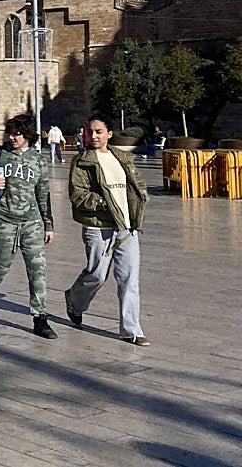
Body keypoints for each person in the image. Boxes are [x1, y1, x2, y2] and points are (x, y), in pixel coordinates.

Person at [64, 116, 150, 346]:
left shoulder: (122, 158)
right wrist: (104, 203)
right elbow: (78, 195)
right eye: (90, 132)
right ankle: (74, 301)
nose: (94, 136)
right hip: (98, 226)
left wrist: (141, 197)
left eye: (99, 131)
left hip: (126, 227)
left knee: (129, 279)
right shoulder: (82, 161)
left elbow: (137, 183)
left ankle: (131, 330)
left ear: (109, 134)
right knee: (97, 275)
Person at [0, 113, 57, 339]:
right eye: (10, 133)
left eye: (18, 133)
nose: (13, 137)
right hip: (4, 221)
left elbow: (43, 195)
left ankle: (40, 318)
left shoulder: (38, 161)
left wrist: (48, 225)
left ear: (28, 135)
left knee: (37, 269)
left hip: (31, 223)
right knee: (0, 266)